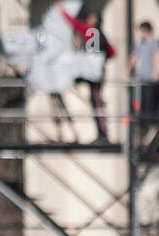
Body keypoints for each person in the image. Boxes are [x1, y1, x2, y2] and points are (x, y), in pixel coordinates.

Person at [66, 8, 115, 144]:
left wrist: (63, 13)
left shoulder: (92, 32)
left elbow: (77, 26)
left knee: (97, 102)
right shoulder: (101, 34)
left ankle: (103, 134)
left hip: (94, 75)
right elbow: (112, 51)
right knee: (96, 101)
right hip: (98, 73)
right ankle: (102, 133)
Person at [129, 21, 159, 155]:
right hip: (140, 80)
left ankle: (150, 138)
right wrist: (127, 72)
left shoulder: (152, 43)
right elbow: (134, 57)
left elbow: (156, 57)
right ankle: (139, 138)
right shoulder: (140, 44)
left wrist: (157, 72)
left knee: (149, 109)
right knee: (138, 109)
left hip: (149, 80)